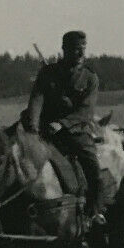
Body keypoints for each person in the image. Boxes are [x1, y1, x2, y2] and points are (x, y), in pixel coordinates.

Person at [21, 30, 103, 198]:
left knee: (92, 164)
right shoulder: (48, 73)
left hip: (75, 130)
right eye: (76, 49)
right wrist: (33, 127)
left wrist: (62, 124)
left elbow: (85, 111)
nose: (80, 53)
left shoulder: (90, 78)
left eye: (83, 49)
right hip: (44, 127)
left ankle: (95, 206)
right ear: (64, 49)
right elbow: (37, 100)